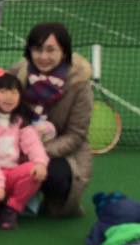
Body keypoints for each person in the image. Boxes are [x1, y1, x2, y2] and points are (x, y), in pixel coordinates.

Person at [10, 22, 93, 217]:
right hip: (19, 144)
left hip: (59, 150)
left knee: (57, 177)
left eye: (50, 50)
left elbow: (76, 135)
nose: (43, 56)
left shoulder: (79, 84)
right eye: (37, 49)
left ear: (63, 52)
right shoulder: (18, 73)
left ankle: (48, 197)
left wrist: (37, 152)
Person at [0, 68, 49, 230]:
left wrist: (41, 163)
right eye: (3, 91)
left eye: (14, 92)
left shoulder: (20, 121)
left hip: (13, 173)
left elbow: (33, 145)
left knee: (35, 171)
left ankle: (11, 208)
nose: (9, 97)